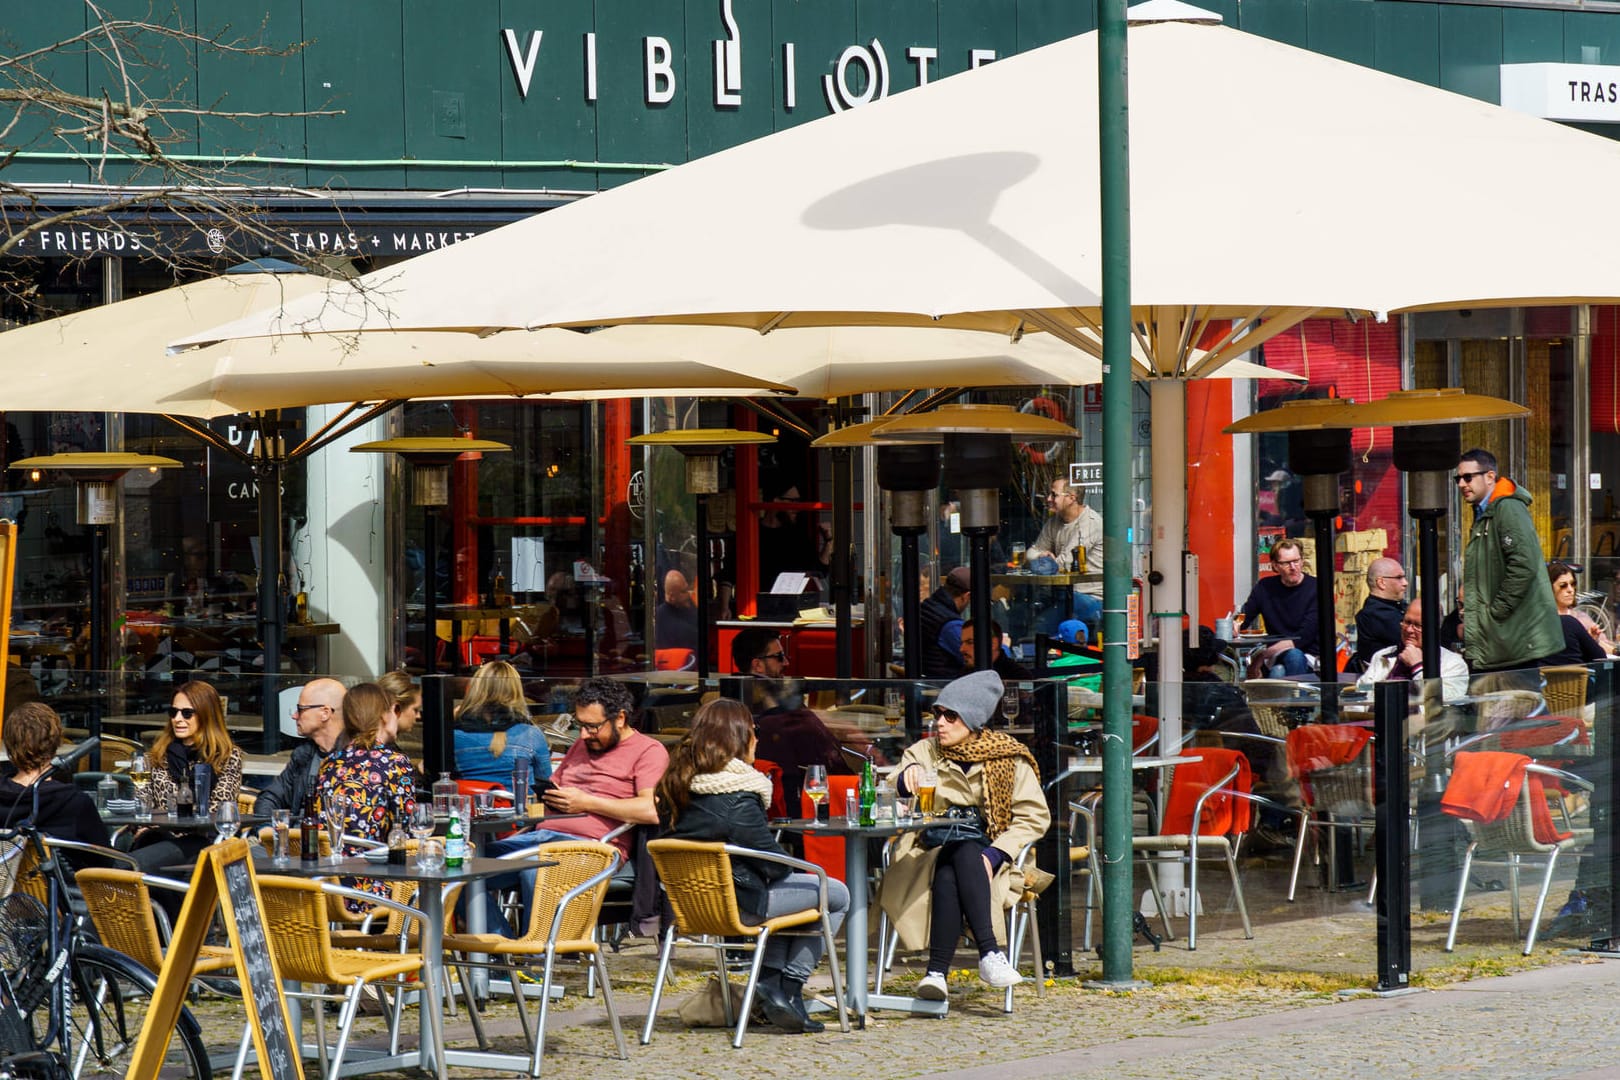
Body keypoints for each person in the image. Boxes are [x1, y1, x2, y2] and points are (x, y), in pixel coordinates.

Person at [655, 697, 850, 1033]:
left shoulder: (676, 786)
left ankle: (772, 988)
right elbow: (774, 866)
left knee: (799, 899)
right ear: (736, 738)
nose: (757, 739)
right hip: (739, 904)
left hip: (692, 906)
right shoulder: (738, 795)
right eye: (753, 732)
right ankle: (787, 987)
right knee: (834, 893)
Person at [879, 670, 1050, 1001]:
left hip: (991, 854)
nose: (940, 723)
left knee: (958, 861)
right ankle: (990, 954)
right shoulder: (925, 751)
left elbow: (1033, 817)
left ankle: (936, 973)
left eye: (950, 715)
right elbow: (891, 786)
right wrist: (905, 778)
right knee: (957, 855)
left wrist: (996, 854)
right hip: (925, 851)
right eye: (937, 714)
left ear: (972, 720)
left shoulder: (1008, 757)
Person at [477, 678, 669, 936]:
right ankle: (505, 953)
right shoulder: (582, 744)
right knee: (461, 867)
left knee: (537, 869)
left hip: (594, 848)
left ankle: (535, 958)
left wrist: (586, 802)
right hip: (541, 838)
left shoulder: (648, 751)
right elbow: (557, 786)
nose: (583, 735)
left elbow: (651, 810)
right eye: (580, 725)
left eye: (592, 727)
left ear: (620, 719)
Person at [1457, 449, 1563, 680]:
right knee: (1508, 710)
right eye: (1458, 478)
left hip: (1513, 640)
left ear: (1490, 476)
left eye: (1468, 477)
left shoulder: (1507, 508)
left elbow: (1524, 564)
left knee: (1521, 708)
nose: (1461, 484)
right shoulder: (1486, 512)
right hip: (1502, 640)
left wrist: (1497, 611)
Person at [315, 682, 418, 911]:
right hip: (375, 889)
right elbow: (406, 835)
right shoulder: (395, 763)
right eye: (395, 709)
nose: (396, 716)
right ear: (383, 715)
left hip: (329, 889)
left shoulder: (329, 763)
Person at [131, 680, 245, 873]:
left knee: (131, 864)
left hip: (205, 842)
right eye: (173, 712)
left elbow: (218, 809)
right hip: (160, 837)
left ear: (207, 715)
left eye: (187, 713)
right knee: (135, 857)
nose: (177, 718)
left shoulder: (227, 757)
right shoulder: (156, 756)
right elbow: (141, 802)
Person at [730, 628, 849, 809]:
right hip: (818, 800)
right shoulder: (771, 722)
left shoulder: (773, 710)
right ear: (757, 665)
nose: (785, 662)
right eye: (778, 657)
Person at [0, 702, 112, 847]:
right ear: (55, 742)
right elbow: (105, 861)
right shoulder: (73, 801)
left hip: (8, 869)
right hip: (75, 869)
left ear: (8, 744)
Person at [254, 677, 347, 816]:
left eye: (300, 709)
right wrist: (265, 828)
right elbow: (270, 798)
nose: (294, 715)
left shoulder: (354, 759)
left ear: (325, 713)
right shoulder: (303, 755)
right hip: (297, 835)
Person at [452, 660, 553, 785]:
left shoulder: (453, 735)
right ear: (516, 691)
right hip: (520, 803)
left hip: (471, 802)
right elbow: (546, 780)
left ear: (475, 689)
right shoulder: (531, 734)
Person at [1025, 478, 1103, 635]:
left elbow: (1063, 564)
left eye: (1054, 495)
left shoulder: (1090, 524)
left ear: (1071, 498)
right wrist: (1041, 555)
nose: (1048, 499)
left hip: (1091, 598)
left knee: (1041, 626)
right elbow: (1030, 554)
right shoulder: (1054, 522)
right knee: (1020, 611)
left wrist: (1043, 561)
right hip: (1063, 593)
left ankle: (1040, 656)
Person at [1356, 599, 1470, 705]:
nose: (1409, 630)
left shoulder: (1454, 664)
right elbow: (1362, 690)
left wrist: (1417, 667)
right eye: (1407, 622)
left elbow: (1444, 702)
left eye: (1417, 625)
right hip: (1376, 722)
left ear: (1434, 629)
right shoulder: (1382, 656)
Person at [1238, 539, 1319, 677]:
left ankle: (1293, 698)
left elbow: (1302, 638)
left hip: (1311, 657)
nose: (1293, 567)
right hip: (1276, 654)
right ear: (1275, 566)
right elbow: (1245, 617)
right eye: (1286, 563)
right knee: (1280, 668)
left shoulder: (1316, 588)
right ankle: (1293, 697)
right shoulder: (1265, 587)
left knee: (1284, 665)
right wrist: (1235, 625)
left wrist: (1260, 657)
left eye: (1296, 561)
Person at [1545, 563, 1609, 665]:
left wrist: (1591, 641)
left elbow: (1602, 649)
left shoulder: (1582, 617)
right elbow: (1600, 656)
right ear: (1549, 588)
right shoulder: (1565, 622)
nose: (1570, 590)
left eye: (1573, 584)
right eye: (1563, 586)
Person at [1352, 558, 1408, 671]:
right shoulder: (1375, 615)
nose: (1405, 583)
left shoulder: (1396, 607)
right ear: (1381, 582)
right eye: (1399, 578)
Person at [918, 566, 972, 678]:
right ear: (966, 596)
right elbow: (974, 658)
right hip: (944, 686)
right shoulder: (951, 625)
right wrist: (1003, 646)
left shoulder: (929, 606)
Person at [959, 619, 1032, 681]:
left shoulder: (1017, 676)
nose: (962, 649)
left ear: (993, 643)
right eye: (962, 643)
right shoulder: (964, 674)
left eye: (970, 642)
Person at [654, 569, 700, 651]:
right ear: (672, 596)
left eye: (687, 589)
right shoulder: (657, 619)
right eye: (683, 592)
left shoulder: (688, 610)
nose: (688, 594)